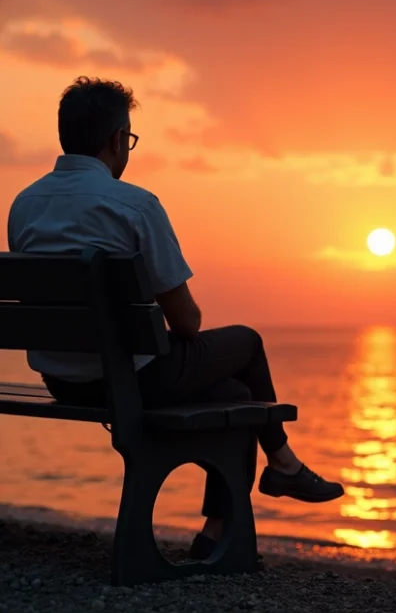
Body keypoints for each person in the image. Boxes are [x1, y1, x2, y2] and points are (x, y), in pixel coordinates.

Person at [6, 76, 344, 561]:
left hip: (62, 379)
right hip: (127, 380)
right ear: (117, 139)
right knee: (246, 343)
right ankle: (282, 462)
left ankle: (217, 531)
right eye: (130, 138)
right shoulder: (134, 206)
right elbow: (186, 323)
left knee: (239, 397)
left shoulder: (24, 205)